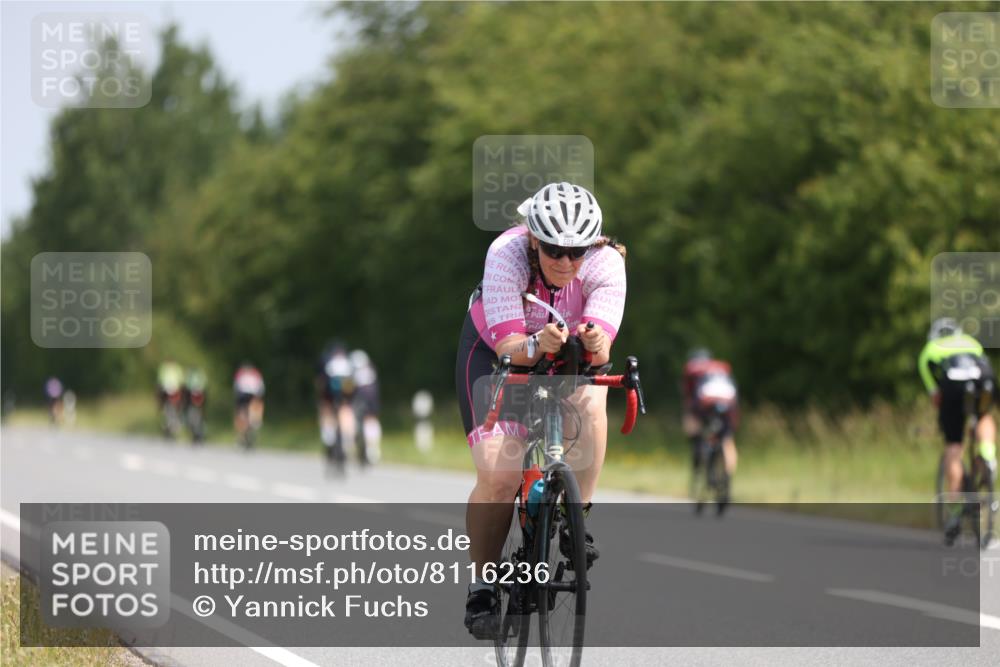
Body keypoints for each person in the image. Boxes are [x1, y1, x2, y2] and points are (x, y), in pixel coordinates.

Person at [456, 182, 626, 638]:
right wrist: (535, 343)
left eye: (577, 252)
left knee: (593, 396)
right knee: (500, 476)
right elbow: (511, 345)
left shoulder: (608, 263)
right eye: (554, 250)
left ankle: (576, 518)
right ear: (533, 238)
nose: (566, 263)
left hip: (563, 358)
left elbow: (603, 347)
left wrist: (594, 341)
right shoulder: (506, 254)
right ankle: (483, 586)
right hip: (497, 357)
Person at [918, 318, 997, 544]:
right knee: (983, 416)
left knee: (954, 446)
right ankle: (988, 456)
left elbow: (935, 396)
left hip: (953, 386)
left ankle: (954, 513)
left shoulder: (929, 350)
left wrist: (946, 415)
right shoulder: (971, 342)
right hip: (984, 379)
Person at [681, 348, 740, 500]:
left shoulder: (692, 371)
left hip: (705, 402)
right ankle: (727, 477)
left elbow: (689, 400)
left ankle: (700, 452)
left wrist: (692, 431)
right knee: (727, 439)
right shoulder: (720, 367)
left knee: (696, 428)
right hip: (728, 401)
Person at [316, 341, 356, 472]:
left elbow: (320, 381)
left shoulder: (326, 360)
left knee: (326, 410)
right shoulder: (348, 360)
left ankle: (328, 438)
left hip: (330, 390)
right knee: (346, 409)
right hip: (346, 387)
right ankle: (347, 440)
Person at [351, 349, 382, 465]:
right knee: (371, 421)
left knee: (358, 423)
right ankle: (372, 448)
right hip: (371, 400)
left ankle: (366, 448)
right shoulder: (371, 370)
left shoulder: (354, 372)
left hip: (360, 401)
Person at [233, 362, 265, 447]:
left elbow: (236, 387)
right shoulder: (256, 374)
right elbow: (261, 388)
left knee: (241, 413)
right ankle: (254, 423)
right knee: (254, 412)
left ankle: (241, 436)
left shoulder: (240, 374)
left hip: (242, 395)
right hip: (253, 396)